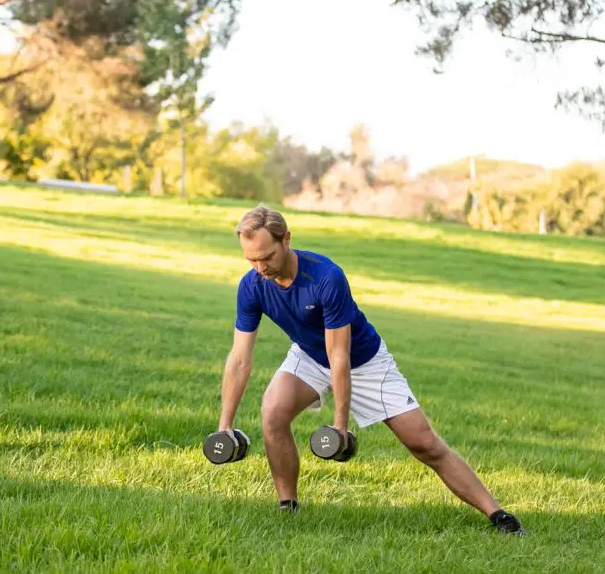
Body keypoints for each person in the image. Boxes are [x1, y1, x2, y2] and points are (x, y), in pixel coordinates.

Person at [215, 205, 528, 536]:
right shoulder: (252, 286)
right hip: (308, 355)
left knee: (423, 444)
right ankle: (287, 507)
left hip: (363, 361)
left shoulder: (325, 277)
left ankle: (499, 516)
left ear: (286, 239)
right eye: (252, 259)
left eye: (267, 256)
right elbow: (239, 358)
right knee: (273, 413)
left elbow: (340, 354)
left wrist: (340, 426)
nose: (261, 267)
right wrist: (225, 426)